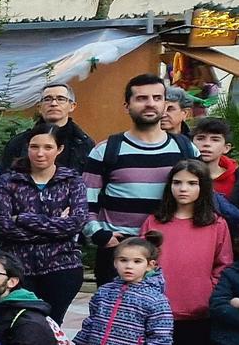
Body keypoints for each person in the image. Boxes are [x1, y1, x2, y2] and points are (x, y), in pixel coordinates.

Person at [142, 160, 231, 345]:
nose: (184, 188)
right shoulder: (155, 221)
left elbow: (223, 264)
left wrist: (208, 288)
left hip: (196, 307)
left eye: (192, 183)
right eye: (178, 182)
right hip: (157, 305)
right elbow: (141, 258)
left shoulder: (216, 224)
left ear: (203, 188)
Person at [83, 75, 199, 280]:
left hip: (171, 249)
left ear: (165, 104)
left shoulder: (187, 149)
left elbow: (203, 200)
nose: (150, 103)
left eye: (157, 97)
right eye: (142, 98)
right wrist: (99, 234)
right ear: (126, 106)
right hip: (120, 252)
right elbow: (84, 202)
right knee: (116, 311)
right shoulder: (106, 150)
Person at [0, 123, 86, 323]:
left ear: (59, 149)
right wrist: (55, 225)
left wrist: (23, 218)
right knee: (21, 323)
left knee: (52, 325)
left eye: (48, 147)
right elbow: (3, 226)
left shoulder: (72, 182)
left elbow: (75, 224)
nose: (40, 153)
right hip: (18, 268)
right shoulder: (9, 181)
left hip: (62, 266)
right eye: (34, 147)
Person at [0, 82, 92, 174]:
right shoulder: (20, 142)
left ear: (72, 106)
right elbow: (5, 177)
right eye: (47, 99)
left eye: (61, 99)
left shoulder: (84, 143)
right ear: (39, 107)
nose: (54, 103)